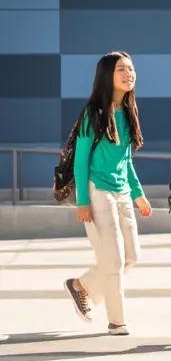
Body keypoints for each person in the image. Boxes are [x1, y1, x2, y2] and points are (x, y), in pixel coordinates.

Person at [63, 52, 151, 335]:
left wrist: (138, 194)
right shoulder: (94, 113)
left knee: (132, 256)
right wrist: (83, 202)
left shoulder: (129, 113)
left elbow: (126, 161)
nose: (129, 74)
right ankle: (117, 321)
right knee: (112, 260)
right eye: (121, 69)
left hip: (122, 191)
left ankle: (81, 285)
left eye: (131, 68)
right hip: (97, 189)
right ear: (106, 75)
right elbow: (80, 159)